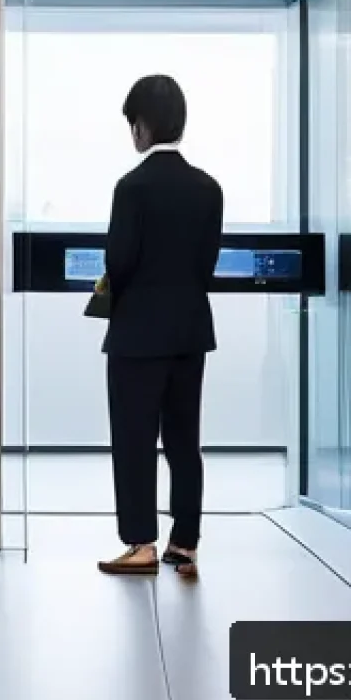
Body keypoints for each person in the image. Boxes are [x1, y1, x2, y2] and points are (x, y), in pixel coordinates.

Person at [97, 75, 223, 580]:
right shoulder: (208, 188)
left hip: (136, 334)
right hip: (190, 330)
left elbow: (119, 260)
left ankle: (141, 545)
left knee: (133, 439)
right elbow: (206, 264)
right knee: (183, 440)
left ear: (141, 126)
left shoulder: (132, 188)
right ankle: (185, 544)